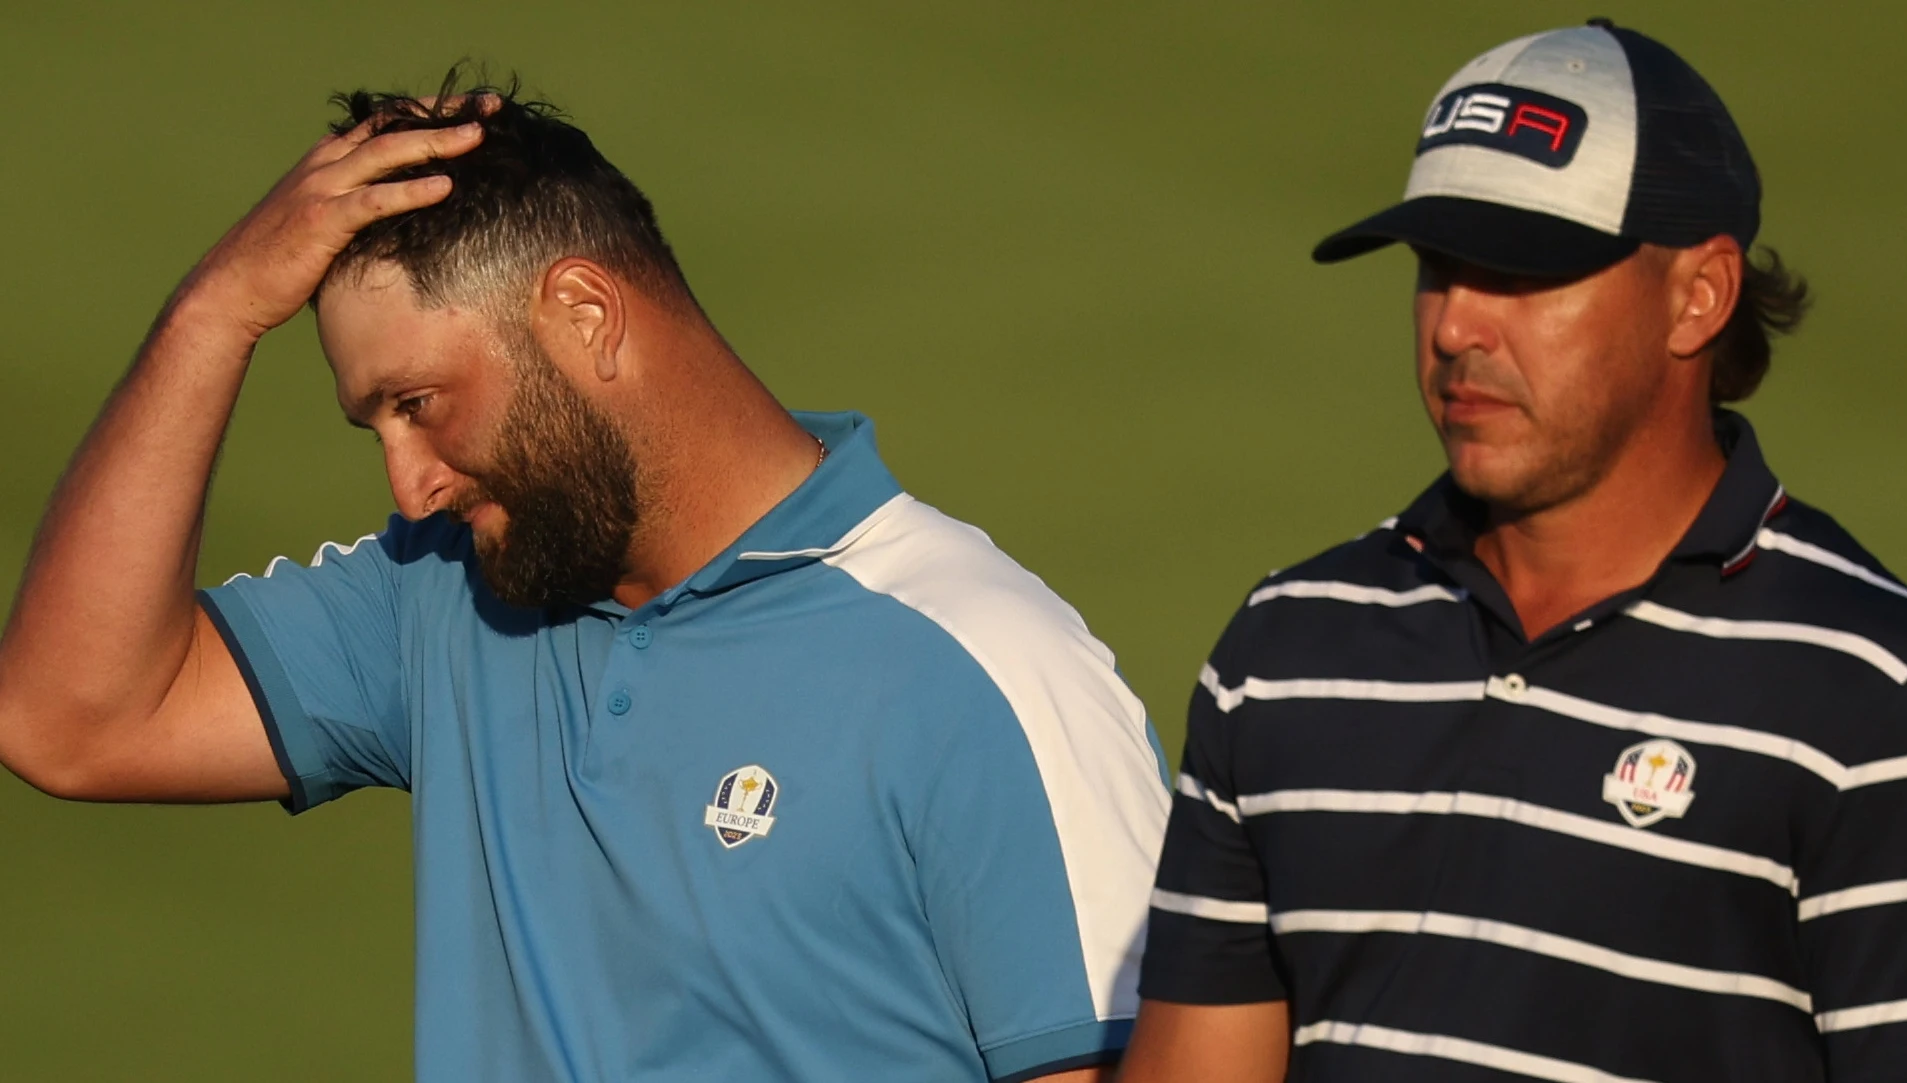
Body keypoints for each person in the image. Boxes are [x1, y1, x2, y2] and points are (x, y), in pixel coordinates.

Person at [0, 77, 1171, 1082]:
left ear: (585, 315)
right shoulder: (445, 600)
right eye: (376, 427)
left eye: (419, 405)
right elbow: (71, 720)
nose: (409, 487)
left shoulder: (988, 666)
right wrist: (214, 317)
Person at [1120, 19, 1907, 1083]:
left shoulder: (1875, 692)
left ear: (1701, 296)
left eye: (1521, 273)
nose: (1456, 327)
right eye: (1439, 268)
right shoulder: (1285, 653)